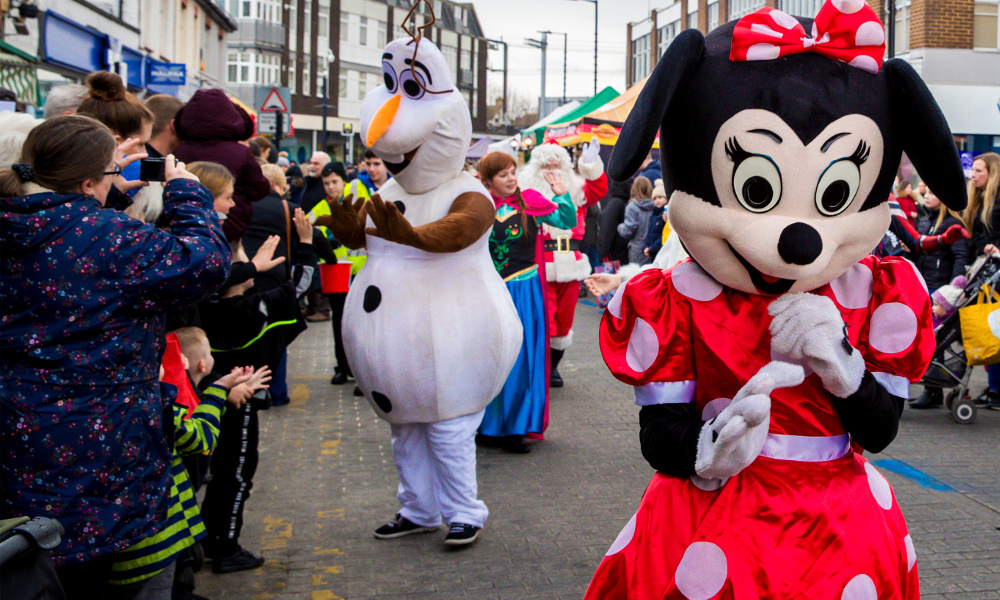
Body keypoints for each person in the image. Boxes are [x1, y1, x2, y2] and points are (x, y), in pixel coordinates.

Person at [0, 115, 230, 598]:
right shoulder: (107, 238)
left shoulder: (17, 221)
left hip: (19, 434)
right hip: (102, 445)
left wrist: (114, 189)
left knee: (38, 561)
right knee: (96, 571)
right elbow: (206, 263)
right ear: (87, 181)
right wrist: (187, 192)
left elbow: (71, 229)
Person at [107, 332, 270, 596]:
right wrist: (219, 390)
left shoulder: (98, 413)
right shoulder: (155, 405)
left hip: (114, 546)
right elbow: (201, 438)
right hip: (157, 542)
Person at [478, 151, 577, 453]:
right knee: (490, 358)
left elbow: (566, 220)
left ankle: (516, 428)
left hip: (525, 291)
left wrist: (563, 196)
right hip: (490, 292)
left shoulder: (529, 200)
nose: (510, 179)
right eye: (502, 175)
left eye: (512, 172)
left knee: (523, 359)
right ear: (488, 181)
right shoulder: (478, 206)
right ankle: (487, 426)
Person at [518, 139, 607, 388]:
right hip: (539, 261)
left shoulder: (576, 188)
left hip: (571, 261)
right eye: (547, 164)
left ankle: (554, 367)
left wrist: (590, 165)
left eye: (557, 163)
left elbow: (598, 190)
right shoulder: (526, 190)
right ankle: (540, 366)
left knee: (565, 320)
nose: (552, 169)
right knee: (544, 318)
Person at [174, 89, 270, 241]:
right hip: (230, 226)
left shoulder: (179, 152)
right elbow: (259, 190)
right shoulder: (240, 153)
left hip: (187, 226)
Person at [910, 187, 968, 409]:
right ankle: (932, 388)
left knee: (936, 340)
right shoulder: (925, 221)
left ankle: (932, 390)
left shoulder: (952, 223)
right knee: (930, 338)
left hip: (941, 288)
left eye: (933, 193)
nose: (926, 196)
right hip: (925, 284)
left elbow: (960, 257)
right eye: (926, 192)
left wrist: (951, 294)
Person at [311, 161, 367, 383]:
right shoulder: (320, 208)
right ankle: (342, 367)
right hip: (338, 276)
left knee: (361, 326)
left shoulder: (357, 202)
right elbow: (309, 230)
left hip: (362, 273)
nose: (331, 187)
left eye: (335, 182)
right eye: (326, 183)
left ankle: (361, 371)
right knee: (340, 323)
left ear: (344, 181)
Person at [964, 152, 1000, 409]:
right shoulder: (978, 200)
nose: (973, 175)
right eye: (973, 170)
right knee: (989, 331)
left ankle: (996, 389)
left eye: (978, 171)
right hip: (984, 270)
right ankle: (995, 387)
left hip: (996, 271)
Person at [617, 176, 655, 266]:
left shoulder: (632, 207)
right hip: (651, 248)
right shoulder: (654, 206)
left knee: (637, 276)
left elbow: (629, 230)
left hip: (637, 250)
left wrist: (620, 227)